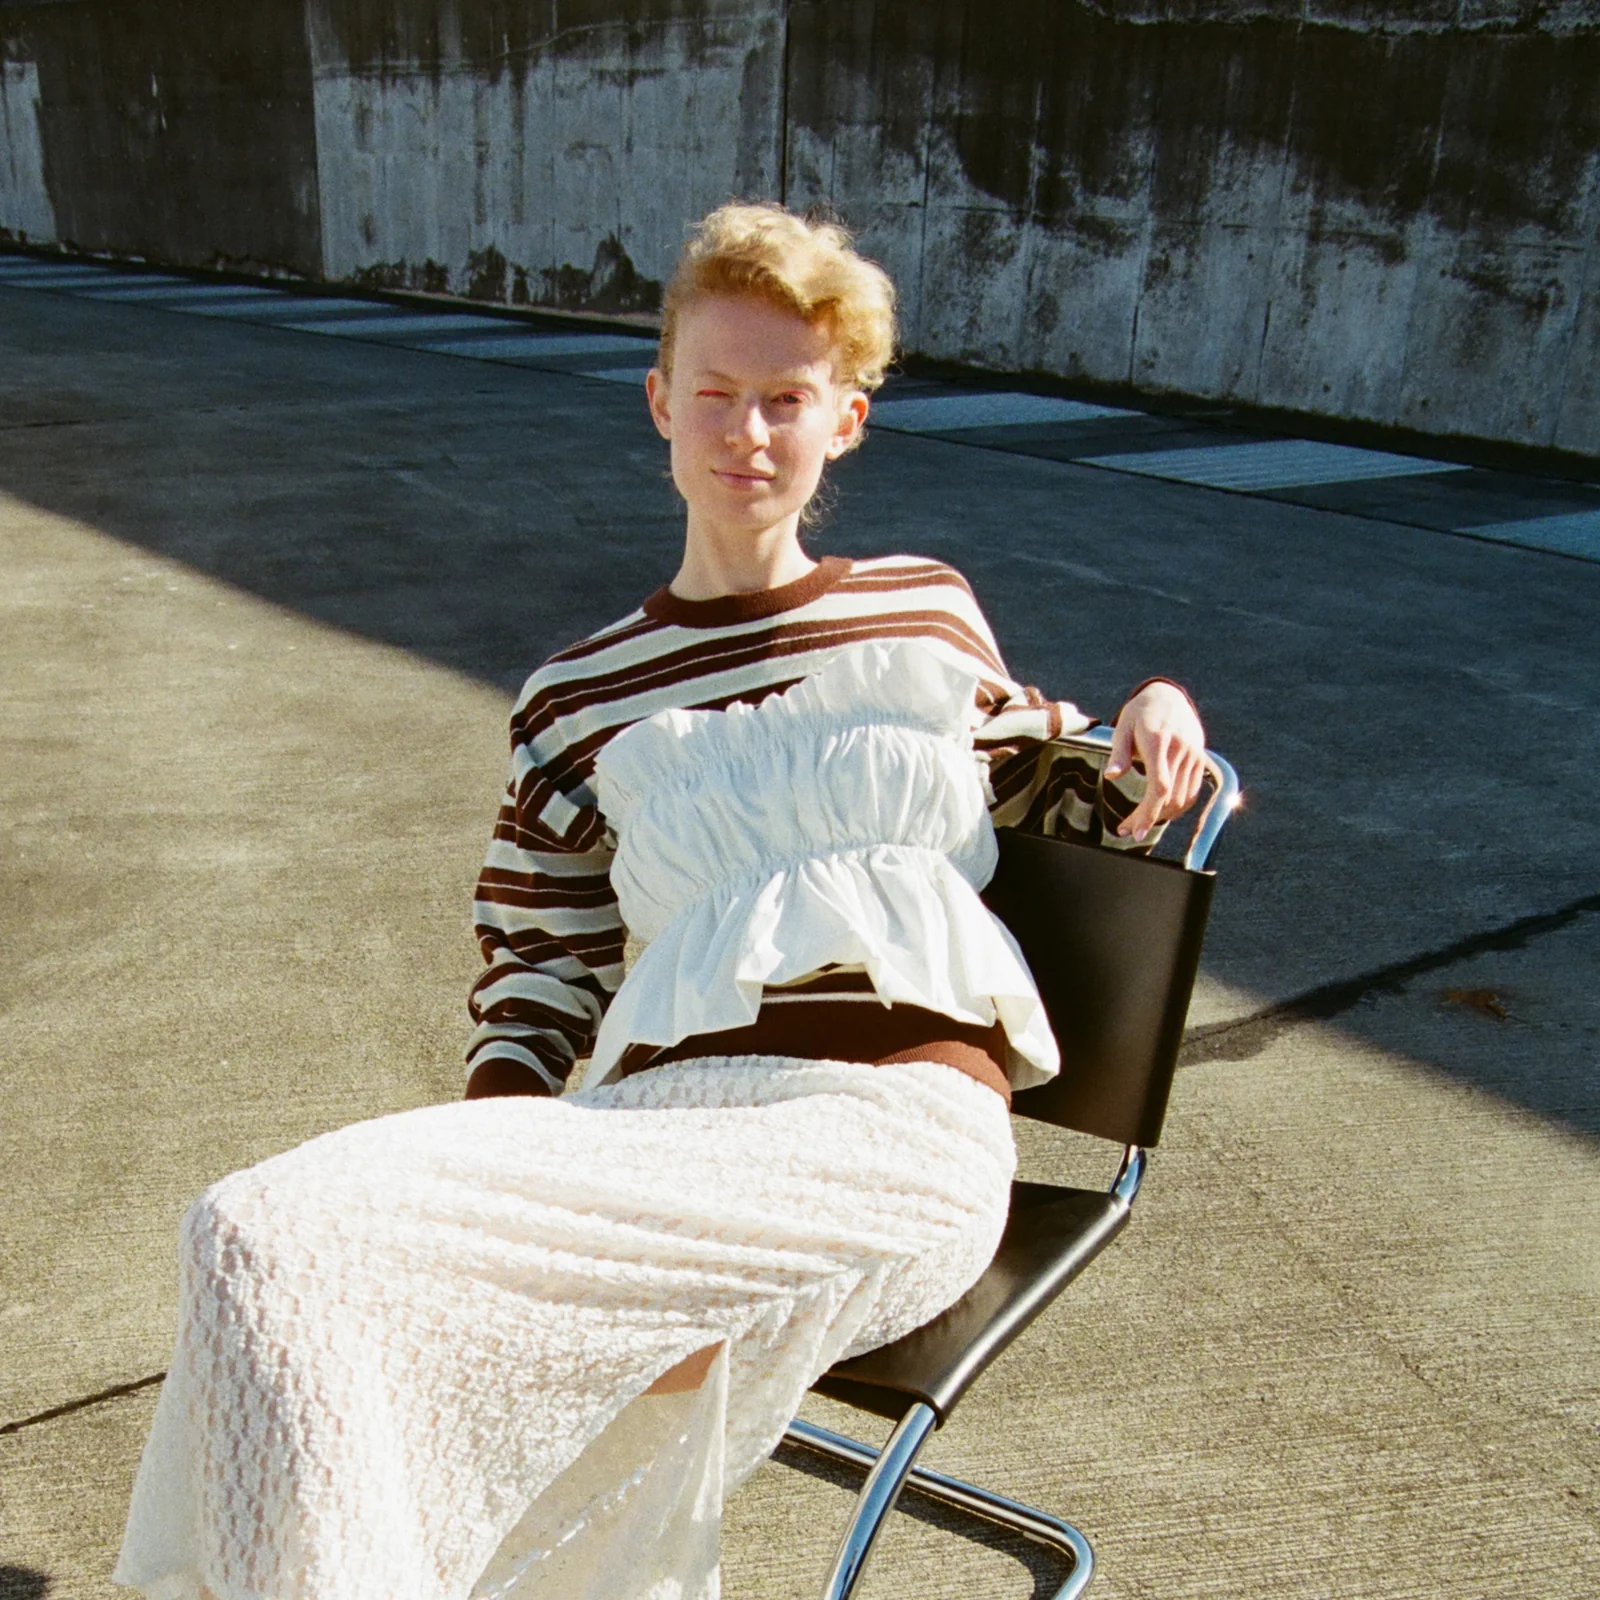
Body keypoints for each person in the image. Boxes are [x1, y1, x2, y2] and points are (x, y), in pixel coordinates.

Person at [114, 202, 1206, 1600]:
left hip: (891, 1132)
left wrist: (1150, 710)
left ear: (845, 421)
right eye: (715, 392)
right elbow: (539, 965)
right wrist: (495, 1155)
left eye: (787, 399)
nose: (748, 432)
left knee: (368, 1296)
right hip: (655, 1126)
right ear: (659, 403)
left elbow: (1060, 786)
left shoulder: (923, 612)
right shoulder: (575, 695)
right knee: (256, 1234)